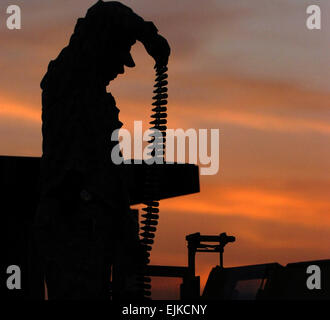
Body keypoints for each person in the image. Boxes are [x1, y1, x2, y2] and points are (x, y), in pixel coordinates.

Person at [34, 0, 170, 299]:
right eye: (119, 54)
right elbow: (105, 13)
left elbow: (109, 172)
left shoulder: (100, 104)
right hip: (72, 230)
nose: (122, 68)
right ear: (100, 46)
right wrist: (149, 36)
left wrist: (126, 232)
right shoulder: (65, 79)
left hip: (97, 232)